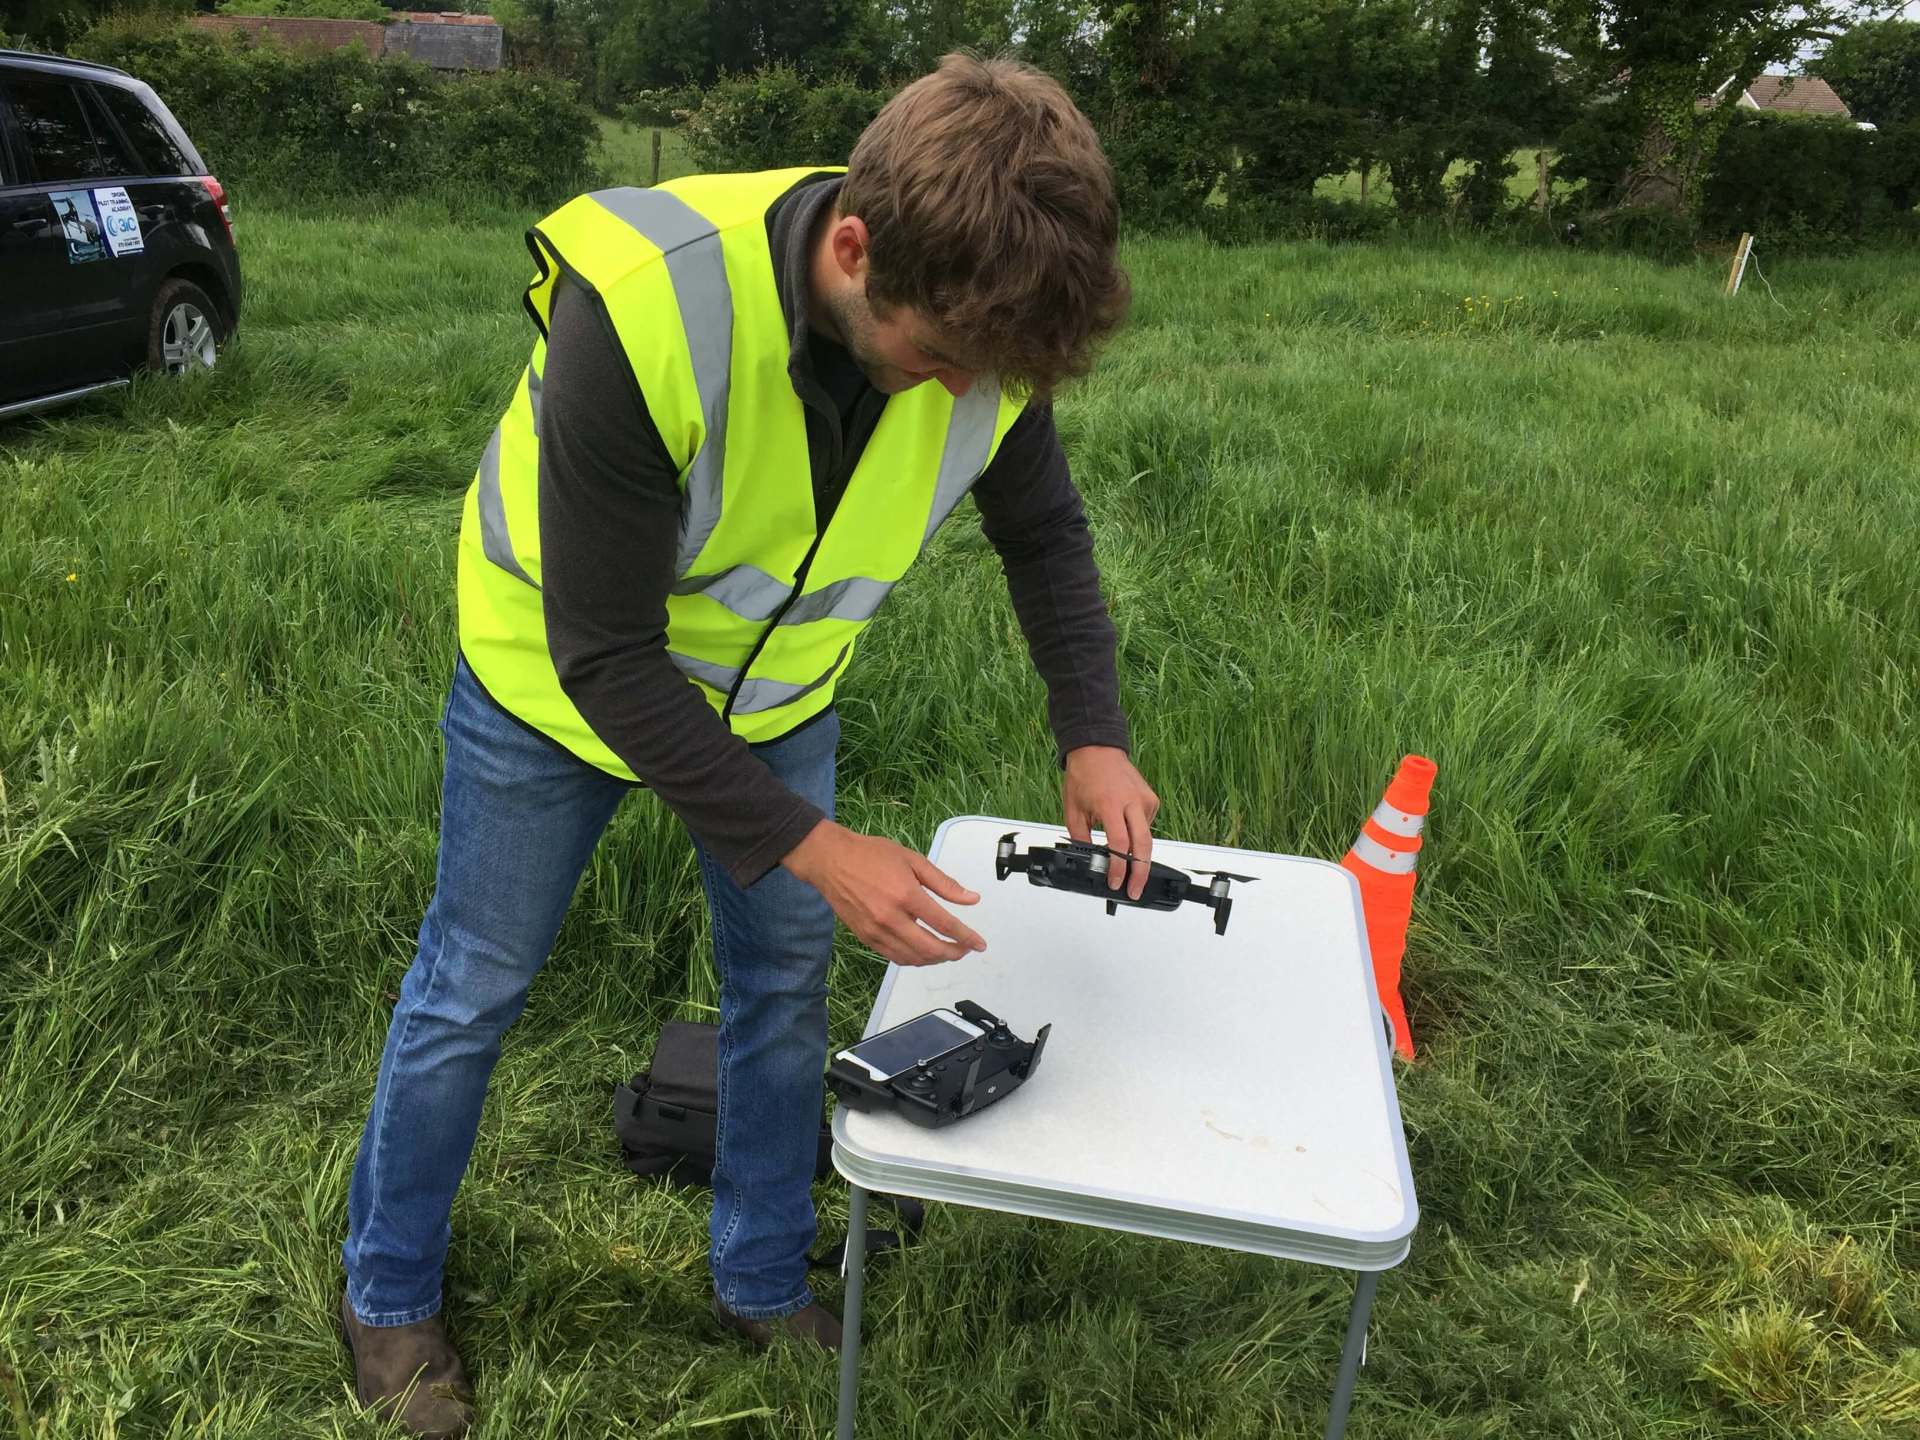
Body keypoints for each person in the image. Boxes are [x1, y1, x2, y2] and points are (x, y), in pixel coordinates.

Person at [337, 52, 1159, 1437]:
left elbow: (1043, 532)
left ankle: (764, 1282)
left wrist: (1093, 733)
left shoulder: (979, 315)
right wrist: (811, 845)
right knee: (470, 988)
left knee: (783, 994)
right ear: (854, 249)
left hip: (772, 703)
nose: (957, 393)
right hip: (553, 694)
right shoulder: (646, 306)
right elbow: (608, 659)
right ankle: (387, 1294)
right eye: (940, 363)